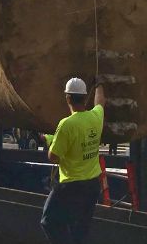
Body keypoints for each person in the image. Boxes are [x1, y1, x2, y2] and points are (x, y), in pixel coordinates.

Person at [40, 77, 106, 244]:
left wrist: (51, 143)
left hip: (71, 186)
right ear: (85, 98)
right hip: (92, 185)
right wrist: (99, 85)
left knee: (48, 221)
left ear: (68, 98)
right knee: (80, 230)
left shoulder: (66, 124)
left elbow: (53, 156)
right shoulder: (96, 117)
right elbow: (100, 103)